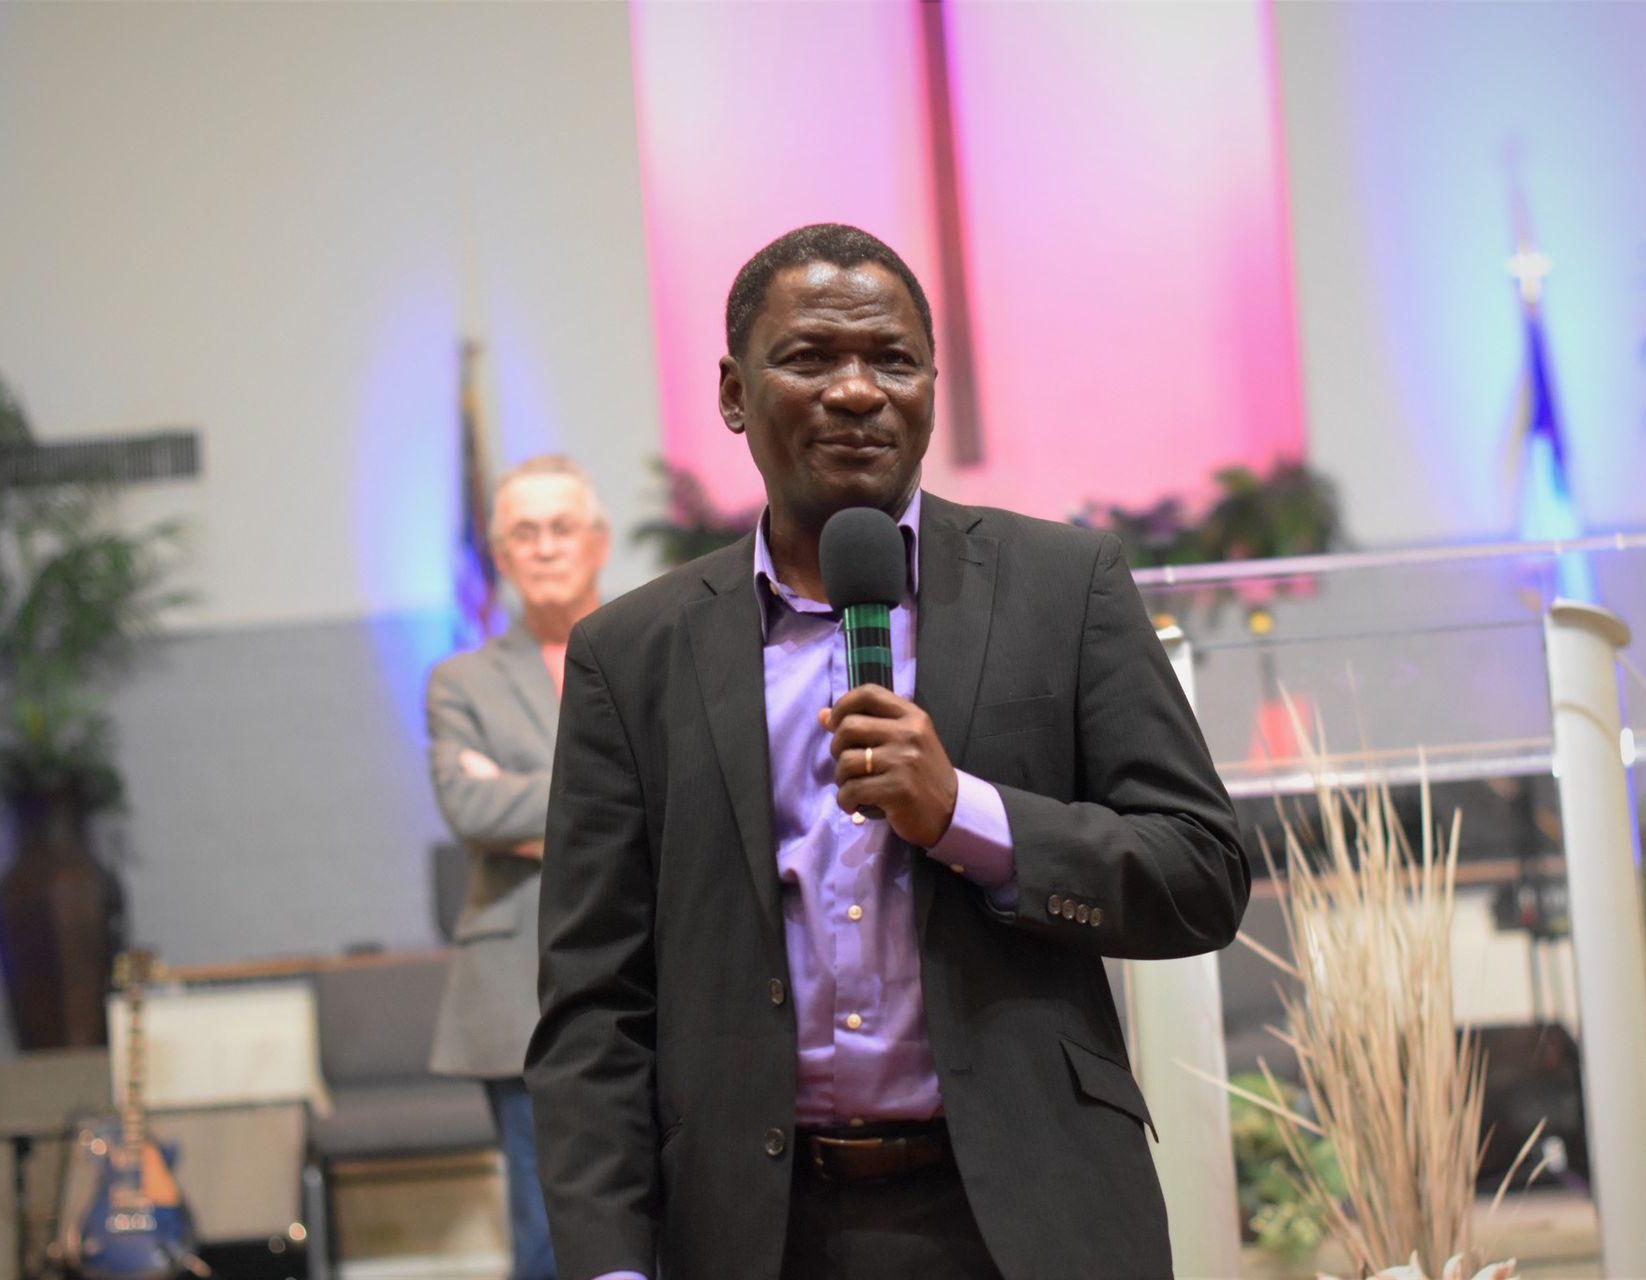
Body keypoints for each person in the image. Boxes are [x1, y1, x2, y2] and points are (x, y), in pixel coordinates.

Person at [526, 224, 1249, 1280]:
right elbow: (596, 1004)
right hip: (755, 1229)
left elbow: (1202, 873)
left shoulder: (1063, 587)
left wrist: (964, 815)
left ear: (931, 387)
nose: (859, 391)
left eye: (893, 359)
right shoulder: (632, 654)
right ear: (733, 393)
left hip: (1029, 1215)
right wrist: (611, 1264)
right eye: (811, 357)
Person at [427, 454, 610, 1280]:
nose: (543, 547)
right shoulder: (461, 681)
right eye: (523, 533)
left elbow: (696, 793)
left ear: (598, 541)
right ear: (500, 556)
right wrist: (615, 799)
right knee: (546, 1237)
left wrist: (526, 803)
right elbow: (470, 810)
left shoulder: (655, 649)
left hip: (657, 974)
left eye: (560, 527)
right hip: (518, 991)